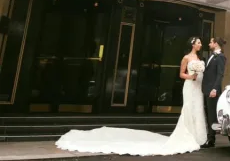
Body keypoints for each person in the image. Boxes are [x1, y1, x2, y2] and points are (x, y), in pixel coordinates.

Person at [55, 37, 208, 156]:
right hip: (189, 86)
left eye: (201, 42)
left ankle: (198, 135)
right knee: (188, 108)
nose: (201, 44)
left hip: (197, 87)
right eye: (199, 42)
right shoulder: (186, 58)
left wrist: (199, 74)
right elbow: (181, 74)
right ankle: (187, 134)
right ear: (192, 44)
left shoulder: (200, 59)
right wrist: (191, 77)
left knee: (198, 109)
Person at [201, 37, 227, 148]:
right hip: (206, 89)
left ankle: (211, 139)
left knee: (212, 115)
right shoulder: (211, 56)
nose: (209, 44)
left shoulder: (221, 57)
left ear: (216, 44)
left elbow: (220, 74)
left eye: (211, 42)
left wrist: (215, 89)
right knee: (208, 114)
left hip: (212, 90)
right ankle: (209, 137)